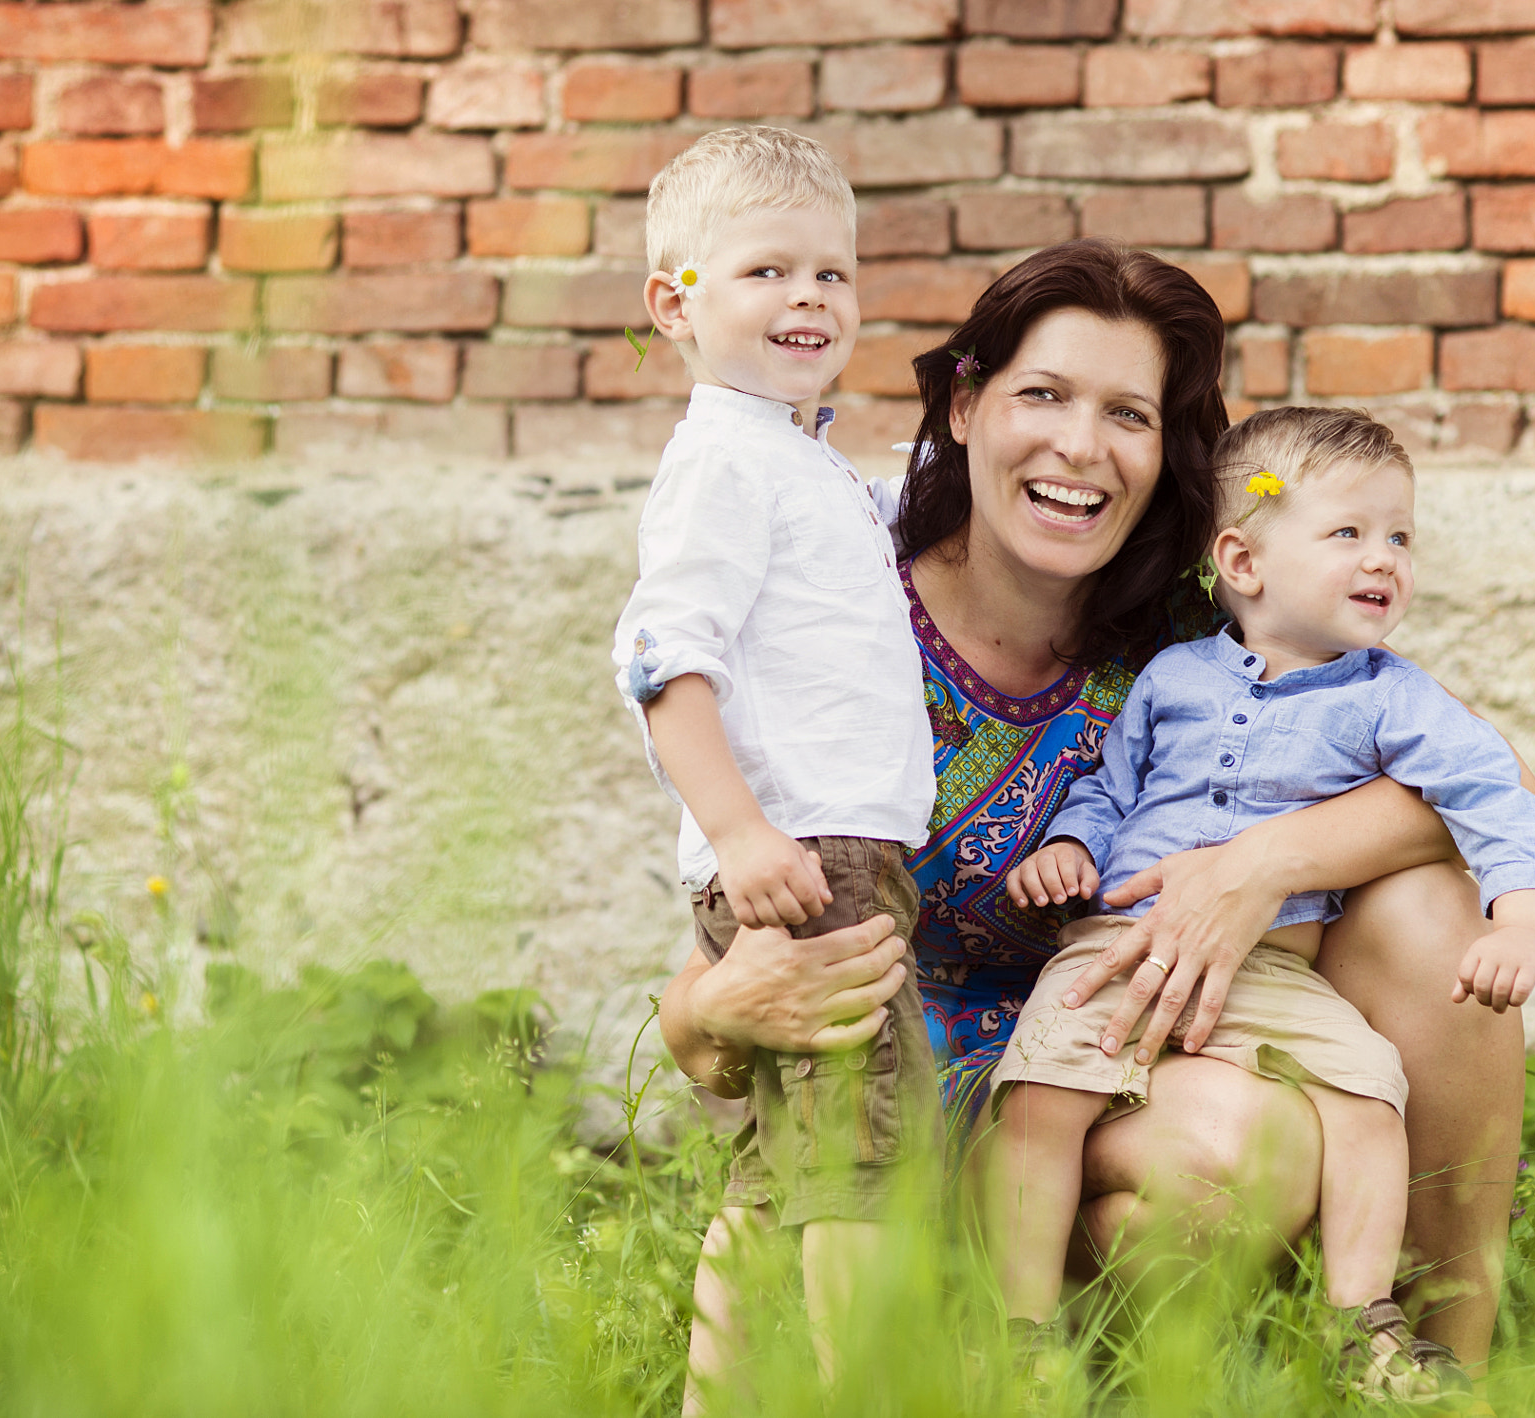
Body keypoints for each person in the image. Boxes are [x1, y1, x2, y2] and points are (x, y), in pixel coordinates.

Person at [659, 239, 1535, 1399]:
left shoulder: (1195, 625)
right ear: (965, 408)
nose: (1080, 446)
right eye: (1042, 395)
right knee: (1193, 1162)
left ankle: (1426, 1358)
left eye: (1125, 412)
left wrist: (1258, 863)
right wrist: (702, 1018)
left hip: (1140, 1041)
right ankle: (1016, 1341)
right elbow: (733, 945)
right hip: (909, 1089)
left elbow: (1483, 774)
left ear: (1161, 450)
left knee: (1422, 917)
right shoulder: (841, 600)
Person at [989, 406, 1535, 1401]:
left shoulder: (1388, 695)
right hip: (1118, 947)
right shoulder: (1171, 676)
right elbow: (1108, 785)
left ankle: (1364, 1322)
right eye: (1347, 532)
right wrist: (1071, 844)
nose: (1383, 558)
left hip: (1272, 971)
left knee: (1371, 1092)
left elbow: (1491, 783)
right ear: (1241, 562)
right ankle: (1018, 1330)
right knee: (1037, 1097)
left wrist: (1518, 910)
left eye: (1399, 535)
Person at [610, 126, 940, 1389]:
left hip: (819, 849)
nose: (808, 296)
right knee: (863, 1168)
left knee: (773, 1175)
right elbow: (661, 658)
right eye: (765, 271)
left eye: (831, 274)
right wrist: (744, 833)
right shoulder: (724, 461)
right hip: (810, 861)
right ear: (673, 304)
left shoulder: (795, 456)